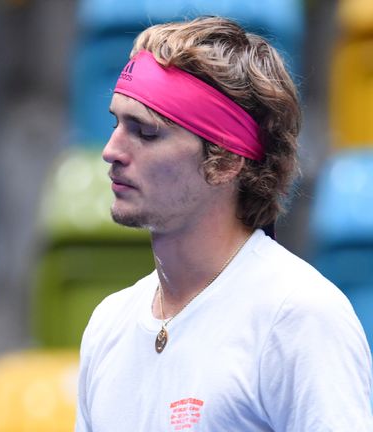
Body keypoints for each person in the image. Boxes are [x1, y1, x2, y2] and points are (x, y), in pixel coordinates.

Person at [75, 16, 373, 431]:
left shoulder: (299, 317)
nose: (110, 151)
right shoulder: (108, 323)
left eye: (145, 132)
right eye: (115, 123)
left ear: (225, 162)